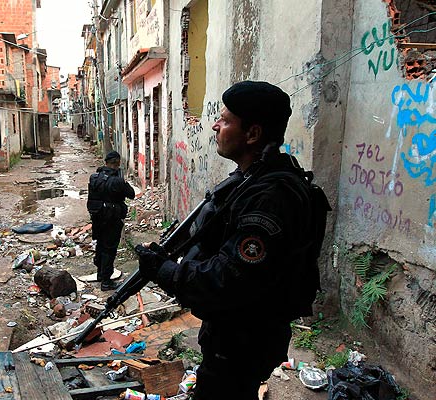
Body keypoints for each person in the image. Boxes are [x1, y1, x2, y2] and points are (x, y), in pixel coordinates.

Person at [135, 81, 328, 399]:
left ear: (252, 134)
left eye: (225, 120)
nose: (214, 124)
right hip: (236, 334)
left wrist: (165, 271)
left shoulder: (270, 197)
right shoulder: (251, 180)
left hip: (245, 340)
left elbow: (226, 279)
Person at [87, 150, 136, 291]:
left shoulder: (94, 178)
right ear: (117, 163)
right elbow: (131, 194)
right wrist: (123, 182)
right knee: (109, 249)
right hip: (112, 219)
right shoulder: (117, 181)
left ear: (106, 163)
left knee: (100, 245)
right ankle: (106, 281)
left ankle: (100, 274)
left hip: (97, 218)